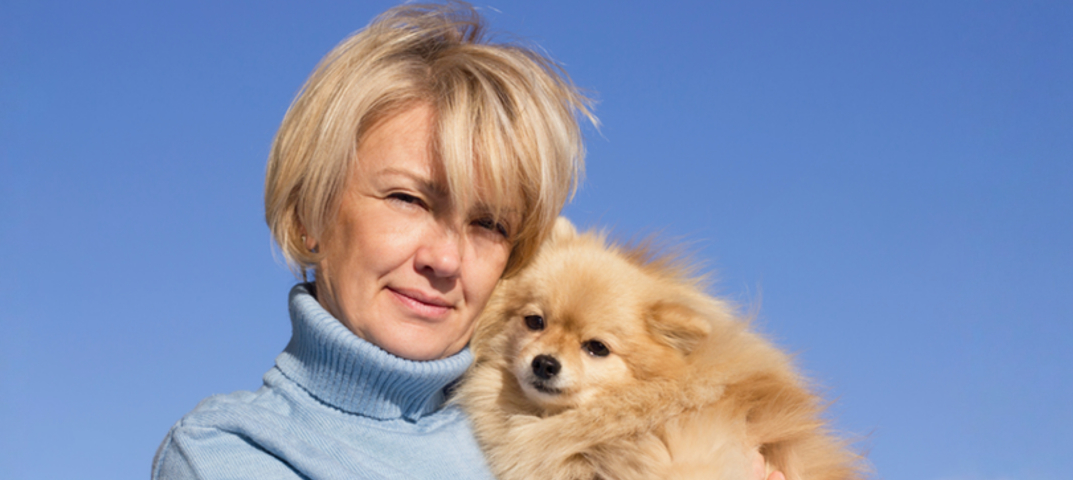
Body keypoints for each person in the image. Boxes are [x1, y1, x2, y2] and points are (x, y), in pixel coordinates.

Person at [152, 2, 787, 479]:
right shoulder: (230, 453)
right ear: (307, 215)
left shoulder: (539, 435)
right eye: (408, 199)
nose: (445, 259)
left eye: (489, 224)